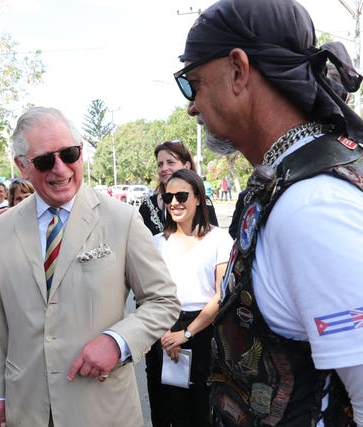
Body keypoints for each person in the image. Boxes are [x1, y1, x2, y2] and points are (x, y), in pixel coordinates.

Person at [175, 0, 363, 424]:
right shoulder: (291, 181)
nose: (191, 106)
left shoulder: (313, 207)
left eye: (193, 83)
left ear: (239, 70)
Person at [0, 107, 180, 427]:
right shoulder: (2, 231)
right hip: (28, 410)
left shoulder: (122, 219)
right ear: (22, 166)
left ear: (81, 152)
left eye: (70, 154)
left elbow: (163, 300)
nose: (60, 169)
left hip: (101, 407)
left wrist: (117, 342)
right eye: (45, 160)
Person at [147, 169, 233, 427]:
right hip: (162, 333)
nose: (174, 202)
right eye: (168, 196)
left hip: (203, 334)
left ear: (198, 197)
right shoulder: (155, 243)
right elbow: (149, 293)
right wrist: (167, 335)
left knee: (201, 411)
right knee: (166, 411)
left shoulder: (218, 239)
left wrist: (185, 335)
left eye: (181, 195)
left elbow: (220, 294)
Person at [139, 140, 218, 235]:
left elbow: (212, 238)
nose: (164, 168)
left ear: (186, 166)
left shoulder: (202, 201)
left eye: (170, 162)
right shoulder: (147, 206)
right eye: (160, 164)